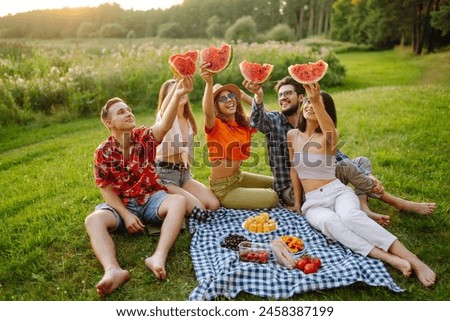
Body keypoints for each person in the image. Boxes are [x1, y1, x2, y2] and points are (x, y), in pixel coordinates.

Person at [287, 82, 436, 287]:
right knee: (332, 224)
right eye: (308, 103)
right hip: (313, 203)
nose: (310, 106)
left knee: (350, 217)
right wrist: (297, 203)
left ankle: (414, 260)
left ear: (325, 111)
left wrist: (315, 98)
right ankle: (390, 259)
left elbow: (330, 129)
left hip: (337, 192)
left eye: (317, 105)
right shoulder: (292, 136)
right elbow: (294, 170)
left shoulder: (328, 137)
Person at [246, 76, 436, 225]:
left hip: (318, 180)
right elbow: (256, 121)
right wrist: (258, 96)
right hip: (292, 191)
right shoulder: (274, 122)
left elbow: (334, 154)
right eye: (279, 95)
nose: (282, 98)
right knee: (347, 166)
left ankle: (363, 206)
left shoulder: (313, 123)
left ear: (302, 97)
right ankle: (397, 203)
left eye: (287, 93)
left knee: (360, 161)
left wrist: (365, 174)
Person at [84, 76, 193, 297]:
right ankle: (113, 270)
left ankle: (158, 256)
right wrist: (125, 215)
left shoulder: (144, 137)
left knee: (179, 201)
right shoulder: (102, 152)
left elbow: (163, 124)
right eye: (121, 112)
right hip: (122, 205)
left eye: (128, 109)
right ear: (109, 123)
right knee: (93, 219)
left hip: (151, 199)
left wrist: (179, 94)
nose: (128, 113)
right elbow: (105, 189)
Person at [199, 63, 279, 209]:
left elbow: (270, 119)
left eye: (230, 96)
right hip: (223, 189)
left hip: (238, 177)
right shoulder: (215, 125)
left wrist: (246, 95)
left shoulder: (243, 122)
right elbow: (207, 111)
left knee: (278, 182)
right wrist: (209, 82)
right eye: (222, 99)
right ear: (216, 106)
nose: (229, 100)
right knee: (273, 197)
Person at [155, 79, 220, 213]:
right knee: (199, 209)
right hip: (165, 176)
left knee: (214, 204)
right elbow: (164, 108)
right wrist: (178, 79)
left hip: (185, 175)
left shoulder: (188, 119)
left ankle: (181, 199)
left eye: (182, 87)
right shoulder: (164, 119)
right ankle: (169, 205)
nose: (180, 91)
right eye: (174, 91)